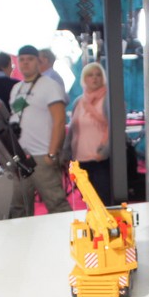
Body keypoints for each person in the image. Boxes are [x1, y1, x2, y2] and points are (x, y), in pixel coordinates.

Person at [8, 45, 71, 217]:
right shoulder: (16, 88)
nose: (25, 63)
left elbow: (59, 120)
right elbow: (17, 115)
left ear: (39, 61)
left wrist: (52, 153)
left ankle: (67, 233)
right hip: (20, 156)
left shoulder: (50, 86)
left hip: (43, 155)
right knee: (19, 206)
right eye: (22, 59)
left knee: (56, 204)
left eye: (30, 59)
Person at [62, 62, 112, 203]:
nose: (94, 78)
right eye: (90, 75)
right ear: (84, 79)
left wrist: (104, 152)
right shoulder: (78, 102)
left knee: (103, 199)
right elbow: (72, 129)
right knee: (89, 199)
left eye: (98, 75)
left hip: (101, 158)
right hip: (80, 158)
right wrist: (66, 153)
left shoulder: (109, 100)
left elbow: (116, 129)